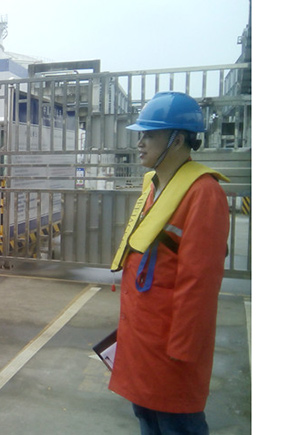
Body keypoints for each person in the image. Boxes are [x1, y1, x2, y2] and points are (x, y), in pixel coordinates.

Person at [109, 91, 230, 435]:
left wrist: (182, 347)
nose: (140, 143)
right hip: (144, 332)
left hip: (171, 343)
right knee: (148, 419)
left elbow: (199, 283)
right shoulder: (157, 185)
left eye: (149, 135)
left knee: (176, 422)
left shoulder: (203, 193)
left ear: (177, 140)